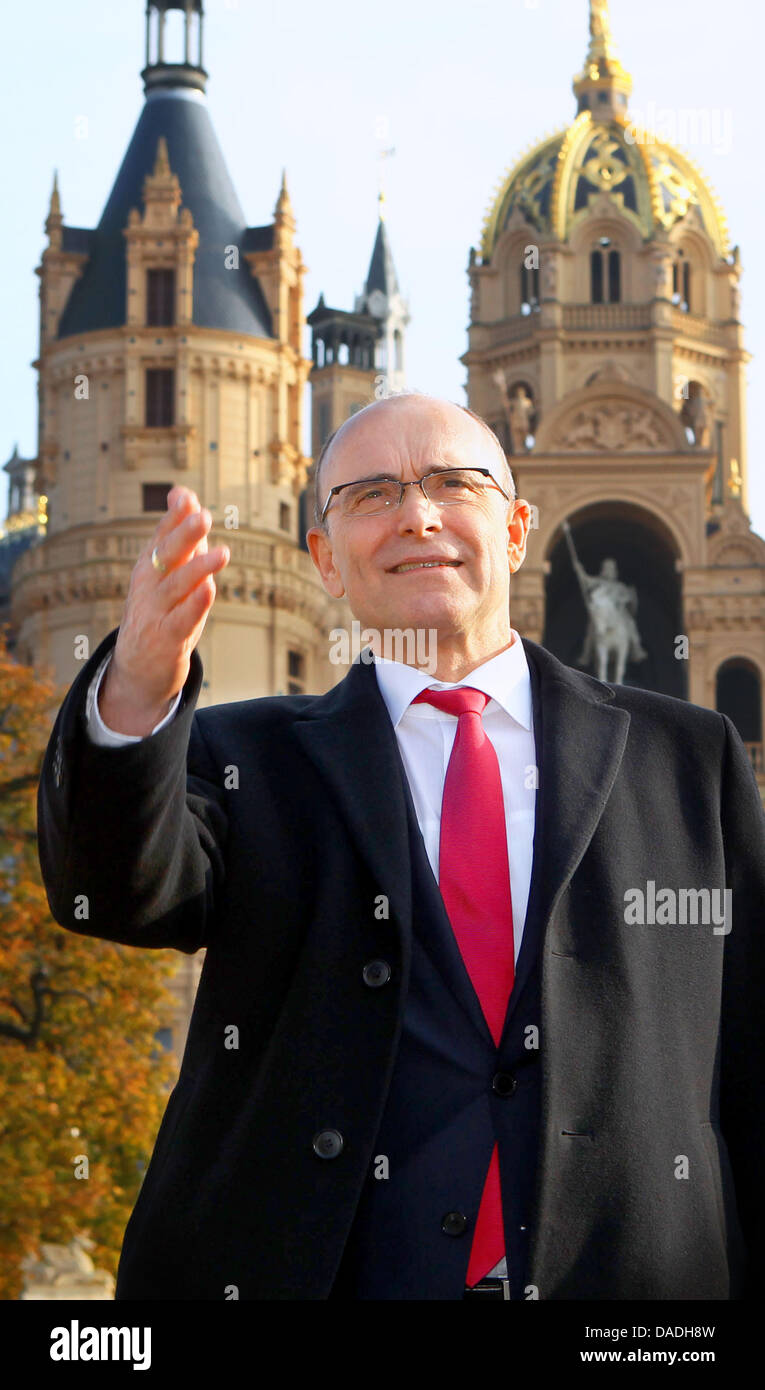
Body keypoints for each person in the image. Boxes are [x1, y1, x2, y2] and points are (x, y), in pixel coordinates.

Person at [37, 393, 764, 1301]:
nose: (417, 514)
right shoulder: (242, 758)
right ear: (324, 560)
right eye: (372, 493)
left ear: (515, 529)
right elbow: (108, 893)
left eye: (453, 484)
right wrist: (138, 689)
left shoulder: (688, 758)